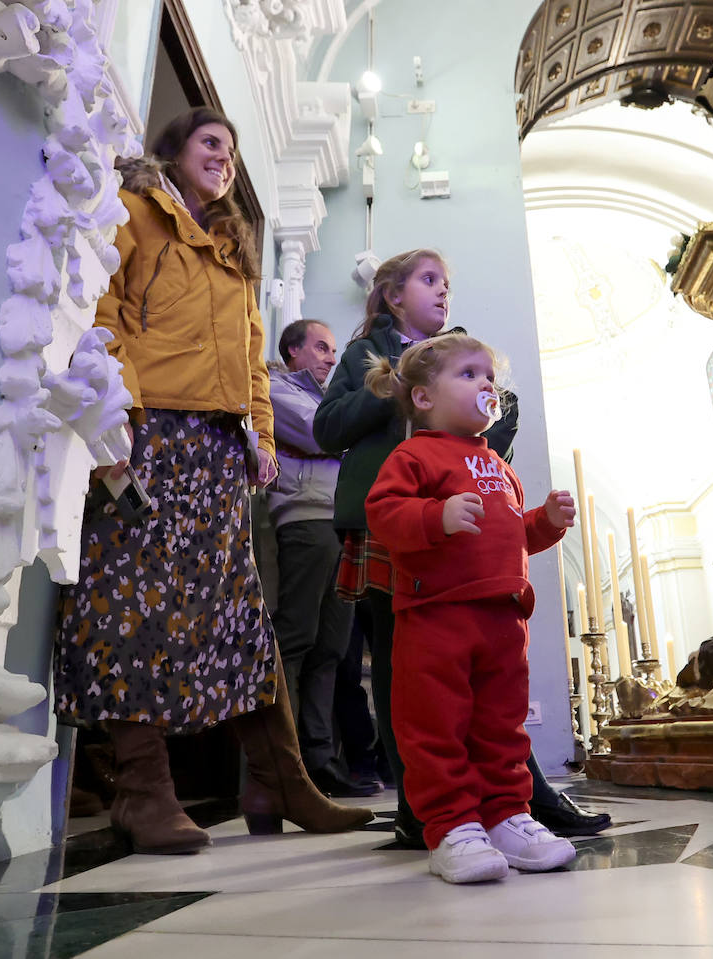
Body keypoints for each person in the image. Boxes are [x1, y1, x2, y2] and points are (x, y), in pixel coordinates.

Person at [54, 107, 373, 855]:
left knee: (239, 618)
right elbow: (102, 311)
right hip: (148, 433)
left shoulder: (234, 253)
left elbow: (253, 360)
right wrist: (116, 413)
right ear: (172, 151)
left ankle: (281, 780)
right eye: (210, 144)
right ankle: (142, 789)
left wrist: (260, 435)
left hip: (219, 450)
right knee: (130, 605)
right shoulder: (133, 211)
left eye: (231, 151)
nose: (224, 159)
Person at [312, 249, 611, 847]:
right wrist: (398, 383)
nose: (443, 291)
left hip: (461, 527)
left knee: (488, 683)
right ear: (393, 295)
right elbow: (328, 428)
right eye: (428, 281)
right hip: (389, 524)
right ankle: (421, 810)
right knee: (407, 677)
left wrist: (469, 435)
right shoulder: (364, 352)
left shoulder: (460, 353)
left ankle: (519, 799)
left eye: (447, 283)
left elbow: (499, 419)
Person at [364, 332, 578, 882]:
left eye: (490, 377)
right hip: (436, 617)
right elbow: (384, 515)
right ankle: (452, 826)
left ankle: (508, 814)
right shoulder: (413, 455)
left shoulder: (498, 465)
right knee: (436, 726)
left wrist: (545, 523)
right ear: (423, 398)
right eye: (469, 374)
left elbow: (513, 534)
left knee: (502, 727)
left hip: (503, 619)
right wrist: (435, 518)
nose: (487, 384)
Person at [267, 319, 378, 797]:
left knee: (332, 648)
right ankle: (285, 763)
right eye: (320, 347)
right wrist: (356, 438)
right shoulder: (274, 387)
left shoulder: (331, 401)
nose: (331, 358)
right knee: (297, 638)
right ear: (292, 351)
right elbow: (320, 436)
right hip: (307, 519)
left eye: (334, 350)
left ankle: (322, 761)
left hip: (341, 522)